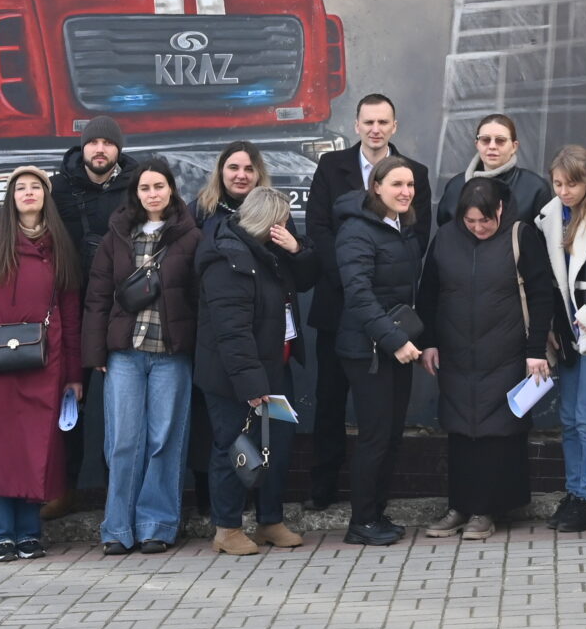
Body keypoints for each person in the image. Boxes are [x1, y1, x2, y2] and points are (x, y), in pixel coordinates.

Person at [303, 95, 431, 509]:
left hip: (389, 315)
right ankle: (323, 490)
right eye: (369, 122)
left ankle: (372, 505)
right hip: (338, 304)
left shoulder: (414, 174)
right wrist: (350, 277)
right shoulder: (331, 166)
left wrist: (370, 288)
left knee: (382, 417)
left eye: (383, 122)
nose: (376, 129)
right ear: (356, 125)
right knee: (330, 400)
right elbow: (318, 228)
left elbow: (417, 237)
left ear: (394, 126)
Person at [417, 177, 562, 540]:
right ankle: (459, 506)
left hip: (507, 351)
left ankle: (487, 509)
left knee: (499, 431)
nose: (478, 228)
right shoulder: (445, 238)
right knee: (460, 429)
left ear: (500, 209)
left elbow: (541, 295)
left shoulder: (520, 235)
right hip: (456, 352)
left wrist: (534, 352)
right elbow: (428, 293)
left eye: (485, 220)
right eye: (470, 221)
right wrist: (429, 342)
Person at [0, 168, 84, 561]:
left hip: (46, 364)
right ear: (10, 198)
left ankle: (29, 532)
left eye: (36, 187)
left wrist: (73, 375)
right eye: (21, 188)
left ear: (46, 196)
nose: (29, 193)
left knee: (36, 446)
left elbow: (70, 314)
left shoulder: (59, 245)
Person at [82, 163, 201, 554]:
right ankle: (117, 528)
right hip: (125, 354)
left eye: (159, 186)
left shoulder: (190, 236)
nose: (153, 194)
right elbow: (97, 296)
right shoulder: (116, 236)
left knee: (164, 439)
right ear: (135, 194)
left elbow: (199, 297)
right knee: (122, 441)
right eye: (145, 188)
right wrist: (96, 351)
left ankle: (157, 525)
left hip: (171, 354)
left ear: (171, 189)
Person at [195, 179, 314, 554]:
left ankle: (270, 520)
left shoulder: (270, 253)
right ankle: (227, 528)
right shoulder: (228, 259)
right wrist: (251, 386)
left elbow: (307, 279)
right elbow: (232, 333)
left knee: (276, 447)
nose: (286, 228)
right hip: (235, 377)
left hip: (274, 369)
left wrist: (297, 250)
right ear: (267, 222)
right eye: (282, 221)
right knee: (234, 447)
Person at [333, 155, 429, 546]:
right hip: (368, 352)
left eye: (410, 185)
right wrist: (395, 340)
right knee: (375, 436)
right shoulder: (356, 231)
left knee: (391, 435)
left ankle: (376, 513)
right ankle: (361, 522)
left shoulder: (403, 226)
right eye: (396, 185)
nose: (405, 192)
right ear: (376, 187)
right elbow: (358, 294)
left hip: (395, 348)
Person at [50, 115, 141, 517]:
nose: (100, 149)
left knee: (124, 409)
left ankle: (118, 495)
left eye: (108, 143)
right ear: (82, 147)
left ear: (118, 149)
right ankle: (63, 488)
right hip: (70, 309)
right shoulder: (58, 188)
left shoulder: (136, 187)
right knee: (69, 400)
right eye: (93, 142)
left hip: (123, 309)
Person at [537, 146, 586, 532]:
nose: (564, 191)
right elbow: (548, 280)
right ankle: (573, 491)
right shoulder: (549, 217)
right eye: (558, 184)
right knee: (567, 417)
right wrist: (552, 324)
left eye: (572, 184)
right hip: (565, 331)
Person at [436, 113, 553, 231]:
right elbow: (444, 232)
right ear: (477, 144)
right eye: (485, 140)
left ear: (514, 146)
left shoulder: (535, 189)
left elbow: (542, 237)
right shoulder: (455, 187)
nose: (492, 146)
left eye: (500, 140)